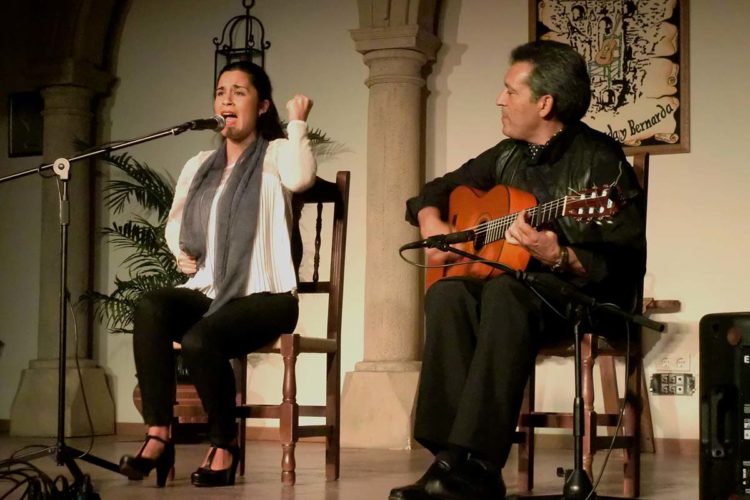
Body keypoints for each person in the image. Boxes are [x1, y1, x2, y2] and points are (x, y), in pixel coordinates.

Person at [391, 40, 646, 500]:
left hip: (583, 297)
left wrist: (561, 256)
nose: (499, 99)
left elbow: (624, 261)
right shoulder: (507, 154)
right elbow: (434, 189)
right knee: (448, 294)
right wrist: (432, 223)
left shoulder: (599, 160)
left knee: (505, 294)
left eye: (510, 90)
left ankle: (480, 464)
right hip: (516, 294)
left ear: (544, 103)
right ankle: (448, 457)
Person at [118, 60, 316, 488]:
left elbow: (302, 180)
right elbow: (176, 222)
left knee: (199, 338)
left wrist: (297, 123)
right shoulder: (199, 165)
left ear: (262, 106)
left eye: (239, 92)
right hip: (210, 288)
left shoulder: (277, 154)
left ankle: (223, 444)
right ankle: (158, 433)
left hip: (268, 295)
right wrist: (180, 252)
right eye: (221, 91)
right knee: (152, 305)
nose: (226, 99)